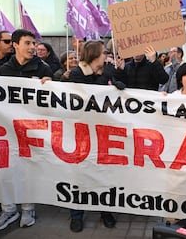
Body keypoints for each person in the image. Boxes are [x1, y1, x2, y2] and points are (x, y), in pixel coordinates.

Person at [0, 29, 53, 231]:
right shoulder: (2, 71)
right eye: (27, 43)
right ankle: (8, 209)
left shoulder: (44, 69)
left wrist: (51, 87)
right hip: (6, 130)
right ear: (16, 45)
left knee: (28, 169)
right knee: (5, 169)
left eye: (34, 43)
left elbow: (52, 103)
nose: (32, 47)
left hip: (31, 131)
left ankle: (27, 208)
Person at [66, 40, 119, 232]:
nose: (106, 55)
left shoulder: (108, 70)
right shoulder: (77, 73)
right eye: (103, 52)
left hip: (103, 132)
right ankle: (76, 214)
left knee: (103, 174)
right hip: (81, 132)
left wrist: (117, 83)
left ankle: (105, 212)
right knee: (79, 174)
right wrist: (99, 77)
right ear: (94, 55)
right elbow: (86, 95)